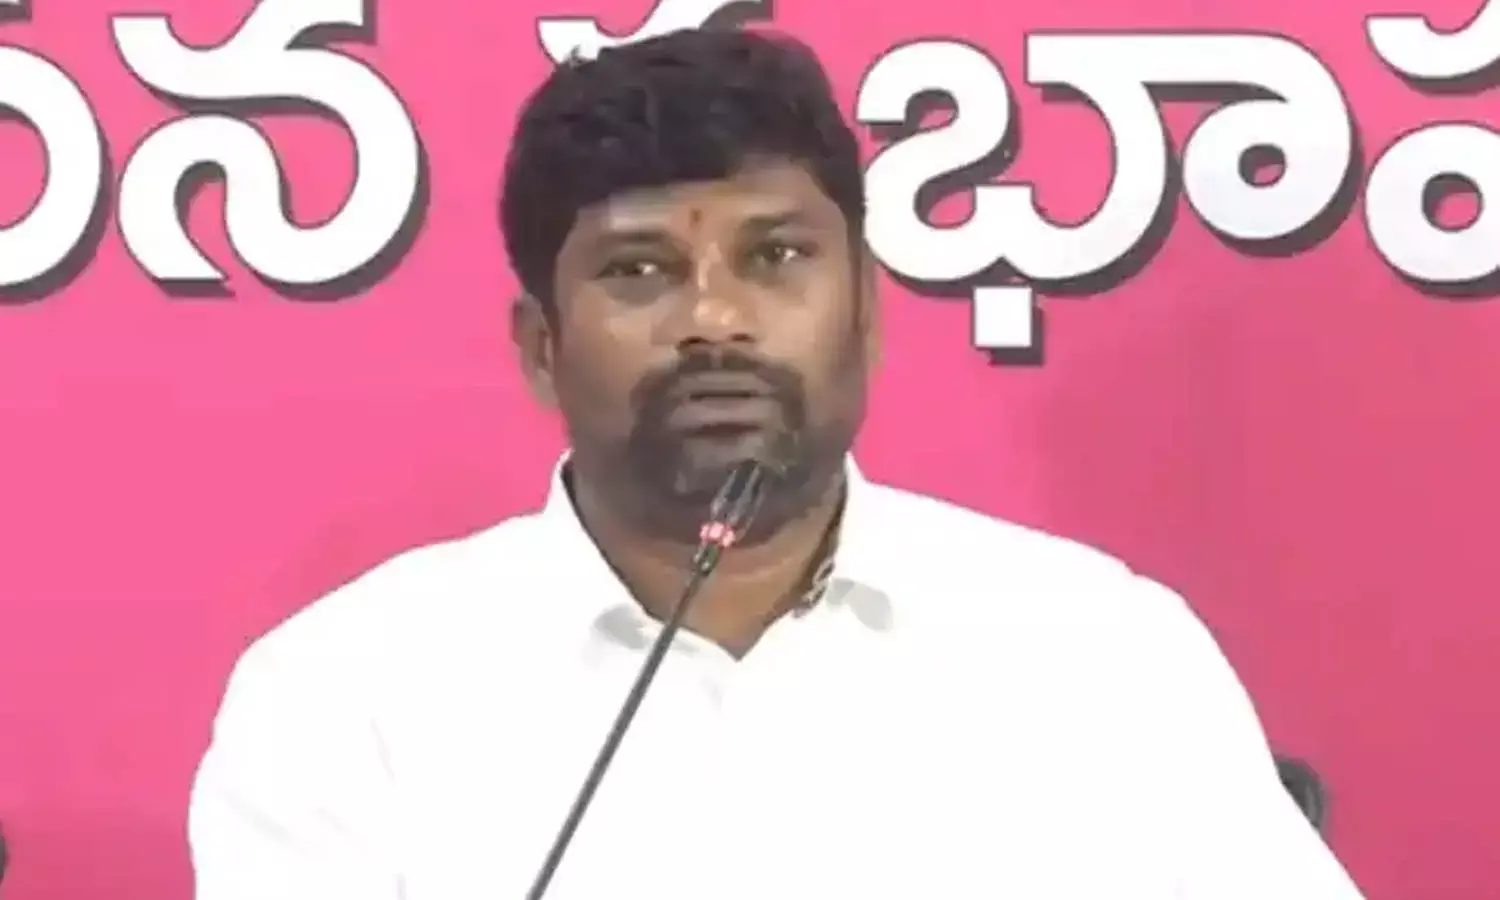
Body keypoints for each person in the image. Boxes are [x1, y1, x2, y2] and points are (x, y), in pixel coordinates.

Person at [187, 28, 1366, 900]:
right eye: (639, 271)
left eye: (777, 257)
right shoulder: (345, 698)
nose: (715, 319)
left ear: (867, 314)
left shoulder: (1098, 651)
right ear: (542, 349)